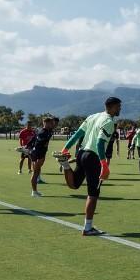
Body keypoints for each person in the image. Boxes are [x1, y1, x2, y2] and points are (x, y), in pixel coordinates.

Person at [56, 97, 122, 236]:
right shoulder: (109, 121)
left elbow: (77, 134)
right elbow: (99, 143)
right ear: (111, 107)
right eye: (118, 106)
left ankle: (66, 165)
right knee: (93, 194)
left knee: (74, 185)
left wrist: (65, 149)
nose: (120, 109)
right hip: (93, 158)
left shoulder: (93, 116)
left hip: (81, 153)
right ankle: (88, 228)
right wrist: (104, 165)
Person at [26, 116, 57, 197]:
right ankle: (34, 192)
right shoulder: (43, 132)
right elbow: (37, 142)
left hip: (41, 153)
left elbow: (33, 139)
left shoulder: (48, 131)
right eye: (51, 123)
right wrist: (29, 149)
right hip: (37, 153)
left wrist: (28, 146)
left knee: (37, 171)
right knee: (35, 172)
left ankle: (35, 191)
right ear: (46, 123)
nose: (53, 124)